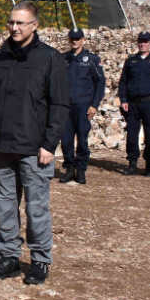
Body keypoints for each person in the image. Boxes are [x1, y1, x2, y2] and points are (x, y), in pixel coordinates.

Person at [0, 1, 68, 285]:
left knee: (36, 208)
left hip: (35, 150)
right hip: (4, 148)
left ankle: (40, 260)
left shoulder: (50, 59)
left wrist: (49, 144)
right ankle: (8, 257)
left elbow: (59, 104)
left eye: (21, 23)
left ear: (34, 25)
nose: (14, 28)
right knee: (5, 205)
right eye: (11, 22)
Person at [117, 31, 150, 176]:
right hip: (133, 103)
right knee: (132, 133)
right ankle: (132, 163)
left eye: (145, 41)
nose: (143, 44)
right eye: (140, 41)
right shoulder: (130, 61)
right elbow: (123, 82)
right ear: (137, 43)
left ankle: (148, 164)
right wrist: (123, 100)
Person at [59, 28, 105, 184]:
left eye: (78, 39)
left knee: (83, 140)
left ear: (83, 40)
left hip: (83, 106)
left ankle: (81, 170)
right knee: (66, 140)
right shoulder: (63, 59)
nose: (74, 41)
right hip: (66, 107)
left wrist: (94, 105)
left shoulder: (91, 59)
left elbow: (100, 82)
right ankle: (69, 168)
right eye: (72, 38)